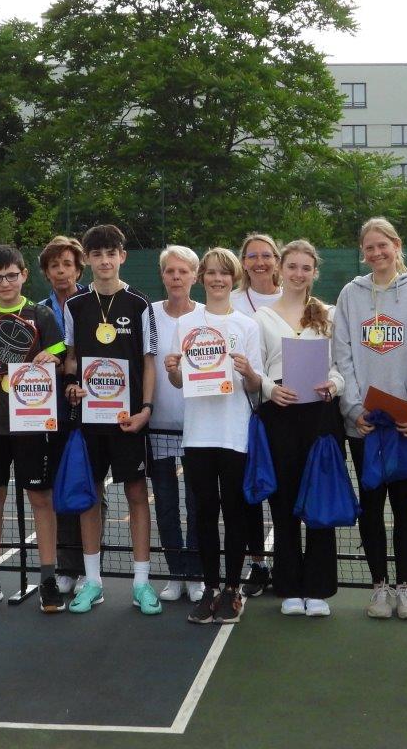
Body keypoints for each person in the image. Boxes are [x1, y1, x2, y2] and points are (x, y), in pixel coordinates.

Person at [333, 217, 407, 620]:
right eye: (369, 247)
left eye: (382, 245)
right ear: (363, 251)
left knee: (406, 507)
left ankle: (404, 587)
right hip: (365, 424)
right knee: (371, 505)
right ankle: (379, 587)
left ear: (396, 245)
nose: (376, 253)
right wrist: (354, 409)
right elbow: (342, 354)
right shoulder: (350, 294)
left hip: (406, 424)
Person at [63, 224, 160, 615]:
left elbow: (149, 362)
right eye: (97, 254)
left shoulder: (139, 304)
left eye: (111, 253)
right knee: (90, 497)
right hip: (89, 420)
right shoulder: (75, 304)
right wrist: (71, 385)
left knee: (136, 495)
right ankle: (93, 582)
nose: (104, 261)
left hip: (127, 419)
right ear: (87, 259)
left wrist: (146, 409)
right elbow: (71, 357)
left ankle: (141, 583)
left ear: (122, 256)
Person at [164, 248, 264, 624]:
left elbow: (255, 386)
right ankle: (209, 589)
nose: (218, 279)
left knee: (235, 512)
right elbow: (179, 381)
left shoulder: (247, 326)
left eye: (224, 273)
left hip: (234, 433)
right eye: (211, 273)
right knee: (204, 513)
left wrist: (248, 371)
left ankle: (233, 589)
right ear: (201, 278)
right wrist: (173, 369)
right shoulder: (186, 324)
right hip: (198, 435)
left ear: (233, 279)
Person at [0, 245, 67, 614]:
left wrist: (52, 357)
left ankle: (49, 579)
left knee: (41, 498)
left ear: (24, 275)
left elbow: (61, 354)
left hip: (33, 422)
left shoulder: (41, 314)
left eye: (11, 275)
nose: (5, 282)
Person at [254, 240, 344, 617]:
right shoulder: (261, 317)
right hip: (280, 415)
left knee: (320, 500)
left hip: (320, 416)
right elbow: (255, 370)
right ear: (280, 269)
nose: (298, 273)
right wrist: (270, 389)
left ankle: (318, 589)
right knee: (284, 502)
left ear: (314, 272)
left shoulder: (329, 314)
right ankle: (290, 586)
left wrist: (333, 385)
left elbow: (341, 366)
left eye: (306, 267)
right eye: (292, 266)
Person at [37, 235, 91, 596]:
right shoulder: (37, 311)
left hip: (91, 404)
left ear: (78, 269)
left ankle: (91, 567)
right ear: (46, 272)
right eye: (54, 265)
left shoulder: (94, 303)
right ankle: (67, 566)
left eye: (67, 264)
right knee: (59, 484)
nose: (61, 271)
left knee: (87, 484)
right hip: (47, 410)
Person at [149, 245, 203, 603]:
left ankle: (195, 573)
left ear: (195, 276)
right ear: (163, 276)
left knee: (197, 504)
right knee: (165, 504)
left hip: (198, 427)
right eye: (170, 271)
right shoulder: (149, 314)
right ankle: (175, 573)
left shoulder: (206, 315)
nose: (176, 277)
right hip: (157, 427)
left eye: (183, 271)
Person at [230, 232, 282, 597]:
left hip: (280, 409)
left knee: (281, 491)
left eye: (266, 255)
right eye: (252, 256)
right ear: (243, 262)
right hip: (238, 410)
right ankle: (258, 565)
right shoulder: (231, 301)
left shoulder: (293, 297)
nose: (260, 262)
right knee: (247, 492)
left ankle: (287, 562)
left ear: (277, 260)